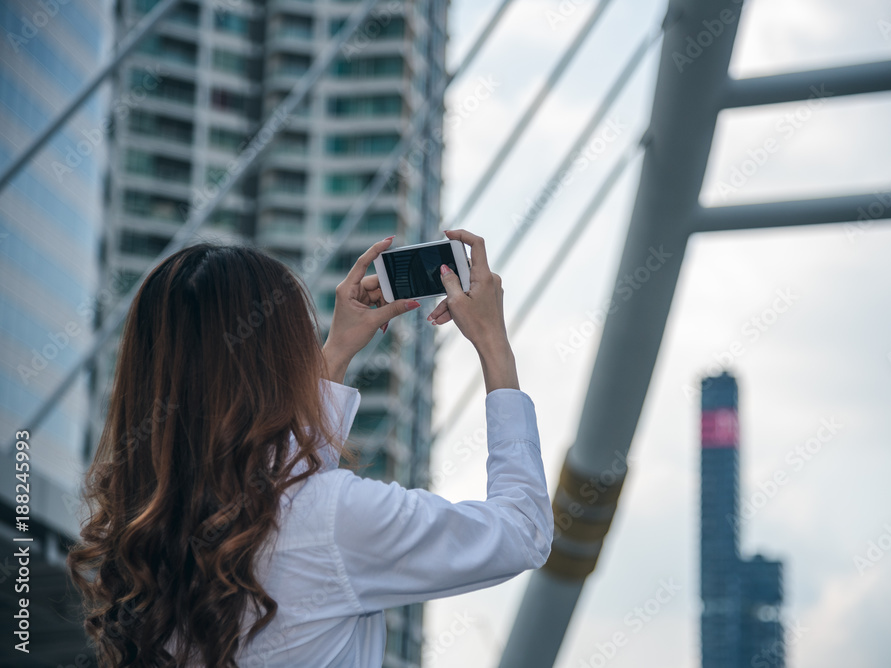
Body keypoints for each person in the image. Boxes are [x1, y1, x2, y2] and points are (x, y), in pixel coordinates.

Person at [68, 229, 553, 667]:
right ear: (283, 355)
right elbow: (524, 529)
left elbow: (286, 483)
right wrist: (493, 343)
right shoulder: (337, 518)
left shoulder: (138, 534)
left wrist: (337, 352)